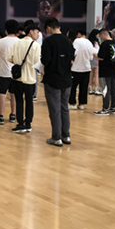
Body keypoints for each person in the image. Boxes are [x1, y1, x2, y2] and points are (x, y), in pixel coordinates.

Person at [42, 18, 75, 147]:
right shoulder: (68, 41)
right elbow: (72, 59)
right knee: (64, 108)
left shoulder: (48, 41)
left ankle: (56, 137)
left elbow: (45, 60)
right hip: (66, 79)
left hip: (53, 79)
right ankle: (66, 135)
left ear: (49, 28)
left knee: (54, 109)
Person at [7, 24, 41, 133]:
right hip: (30, 78)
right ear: (31, 32)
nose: (38, 35)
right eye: (37, 32)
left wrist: (18, 63)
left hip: (17, 78)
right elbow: (37, 62)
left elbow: (9, 58)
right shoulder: (35, 45)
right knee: (29, 101)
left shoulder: (17, 43)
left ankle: (20, 123)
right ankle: (28, 123)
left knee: (19, 101)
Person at [0, 20, 19, 125]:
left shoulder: (1, 41)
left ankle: (1, 116)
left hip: (3, 72)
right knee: (14, 94)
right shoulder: (19, 41)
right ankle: (13, 115)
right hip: (16, 73)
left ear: (6, 30)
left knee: (1, 93)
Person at [93, 30, 115, 116]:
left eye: (100, 36)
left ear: (103, 35)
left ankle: (105, 109)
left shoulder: (104, 44)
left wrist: (95, 55)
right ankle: (113, 107)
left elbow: (101, 57)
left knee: (105, 89)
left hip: (105, 70)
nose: (100, 38)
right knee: (114, 88)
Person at [69, 29, 95, 110]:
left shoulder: (77, 41)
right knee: (84, 87)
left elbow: (74, 52)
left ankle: (72, 103)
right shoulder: (89, 42)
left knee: (73, 87)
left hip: (76, 68)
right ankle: (81, 104)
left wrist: (71, 61)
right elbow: (91, 56)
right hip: (86, 68)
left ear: (79, 34)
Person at [88, 29, 101, 95]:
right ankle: (96, 89)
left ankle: (90, 88)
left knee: (91, 75)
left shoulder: (89, 42)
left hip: (90, 59)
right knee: (96, 75)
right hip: (96, 59)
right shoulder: (96, 43)